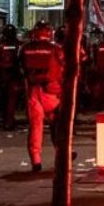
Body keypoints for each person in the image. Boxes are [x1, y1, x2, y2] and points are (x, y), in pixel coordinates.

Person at [21, 24, 64, 171]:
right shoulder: (56, 49)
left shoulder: (25, 48)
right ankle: (62, 153)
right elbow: (64, 68)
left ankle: (36, 159)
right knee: (57, 125)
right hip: (52, 92)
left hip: (33, 91)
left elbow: (20, 68)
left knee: (35, 126)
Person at [0, 25, 24, 130]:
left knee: (3, 98)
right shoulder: (19, 45)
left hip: (0, 75)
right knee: (12, 99)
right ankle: (8, 121)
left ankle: (6, 119)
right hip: (14, 75)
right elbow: (23, 59)